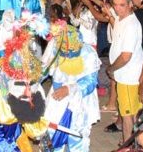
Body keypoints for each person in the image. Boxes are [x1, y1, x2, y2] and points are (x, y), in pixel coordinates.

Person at [42, 21, 100, 152]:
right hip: (57, 98)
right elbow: (44, 69)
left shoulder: (89, 53)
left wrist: (69, 89)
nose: (67, 55)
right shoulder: (55, 46)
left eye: (70, 52)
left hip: (80, 101)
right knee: (52, 133)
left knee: (77, 137)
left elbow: (90, 82)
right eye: (64, 51)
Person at [106, 0, 143, 143]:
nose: (117, 8)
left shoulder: (131, 25)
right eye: (115, 4)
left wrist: (111, 68)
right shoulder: (121, 18)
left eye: (122, 5)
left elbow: (126, 56)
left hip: (129, 76)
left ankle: (128, 145)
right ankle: (131, 144)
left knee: (129, 116)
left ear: (130, 4)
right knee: (127, 111)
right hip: (123, 75)